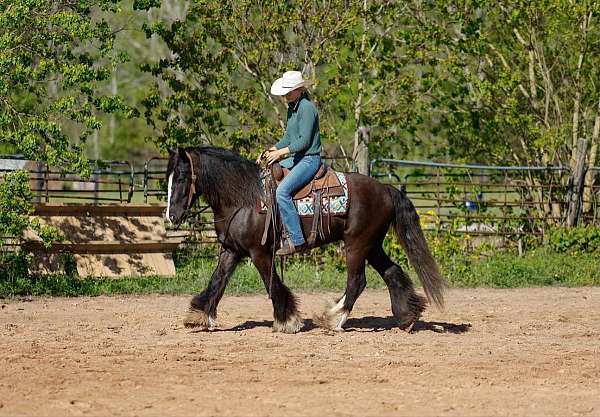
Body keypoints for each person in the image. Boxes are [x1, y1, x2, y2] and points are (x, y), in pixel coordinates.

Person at [264, 70, 321, 256]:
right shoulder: (292, 107)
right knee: (265, 179)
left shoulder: (306, 108)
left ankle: (296, 240)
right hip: (296, 158)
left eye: (289, 92)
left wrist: (280, 153)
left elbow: (304, 141)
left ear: (300, 89)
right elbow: (289, 137)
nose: (286, 95)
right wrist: (272, 149)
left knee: (282, 192)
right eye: (285, 92)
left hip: (309, 159)